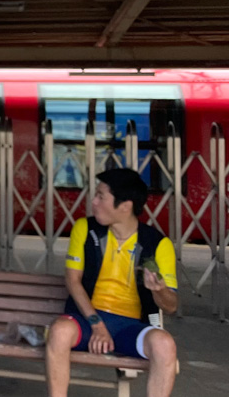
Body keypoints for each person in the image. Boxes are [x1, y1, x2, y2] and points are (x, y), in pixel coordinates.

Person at [45, 168, 180, 397]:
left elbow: (171, 305)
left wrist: (160, 290)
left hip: (130, 327)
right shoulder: (85, 229)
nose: (94, 202)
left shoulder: (157, 244)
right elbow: (73, 281)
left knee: (165, 344)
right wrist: (97, 326)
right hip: (88, 320)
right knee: (59, 332)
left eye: (100, 196)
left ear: (125, 206)